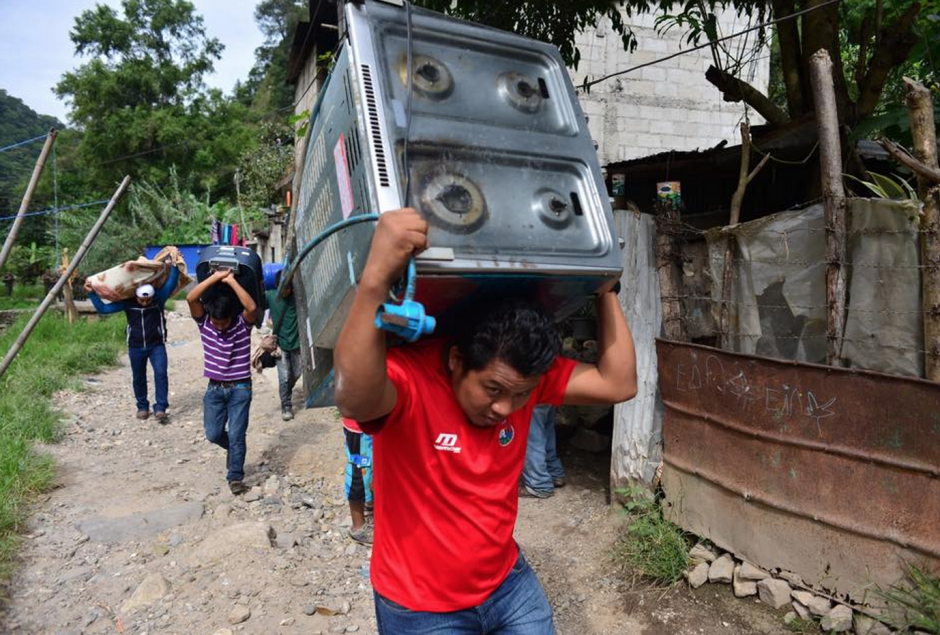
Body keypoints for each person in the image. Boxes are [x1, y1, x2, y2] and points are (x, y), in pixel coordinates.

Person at [334, 208, 637, 634]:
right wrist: (375, 279)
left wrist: (606, 289)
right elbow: (353, 397)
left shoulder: (520, 375)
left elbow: (618, 382)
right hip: (420, 608)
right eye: (493, 391)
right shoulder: (411, 380)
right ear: (457, 360)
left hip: (507, 586)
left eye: (522, 396)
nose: (506, 409)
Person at [186, 269, 257, 496]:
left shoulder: (241, 326)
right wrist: (216, 277)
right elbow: (191, 298)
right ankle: (234, 450)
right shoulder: (205, 323)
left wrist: (231, 281)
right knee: (213, 434)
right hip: (214, 388)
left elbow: (252, 308)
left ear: (231, 317)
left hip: (240, 388)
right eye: (217, 323)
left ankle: (235, 476)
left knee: (237, 434)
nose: (220, 327)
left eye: (224, 323)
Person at [87, 265, 180, 422]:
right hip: (135, 347)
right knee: (138, 377)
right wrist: (91, 293)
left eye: (147, 299)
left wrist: (174, 266)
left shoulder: (159, 299)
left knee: (161, 374)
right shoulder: (128, 303)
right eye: (141, 299)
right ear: (135, 296)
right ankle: (142, 407)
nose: (144, 302)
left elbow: (170, 283)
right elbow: (103, 309)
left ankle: (160, 408)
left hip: (156, 345)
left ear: (153, 296)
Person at [265, 271, 302, 420]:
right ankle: (286, 405)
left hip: (297, 343)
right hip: (280, 344)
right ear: (276, 286)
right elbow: (255, 306)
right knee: (285, 376)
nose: (284, 291)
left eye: (287, 288)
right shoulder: (270, 295)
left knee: (297, 373)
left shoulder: (298, 298)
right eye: (282, 288)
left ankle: (286, 392)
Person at [520, 405, 565, 498]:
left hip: (530, 393)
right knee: (545, 429)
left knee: (531, 434)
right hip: (547, 393)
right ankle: (554, 473)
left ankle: (538, 484)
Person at [342, 417, 374, 545]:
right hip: (361, 428)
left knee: (376, 471)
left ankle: (371, 507)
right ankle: (358, 527)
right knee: (360, 474)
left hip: (375, 424)